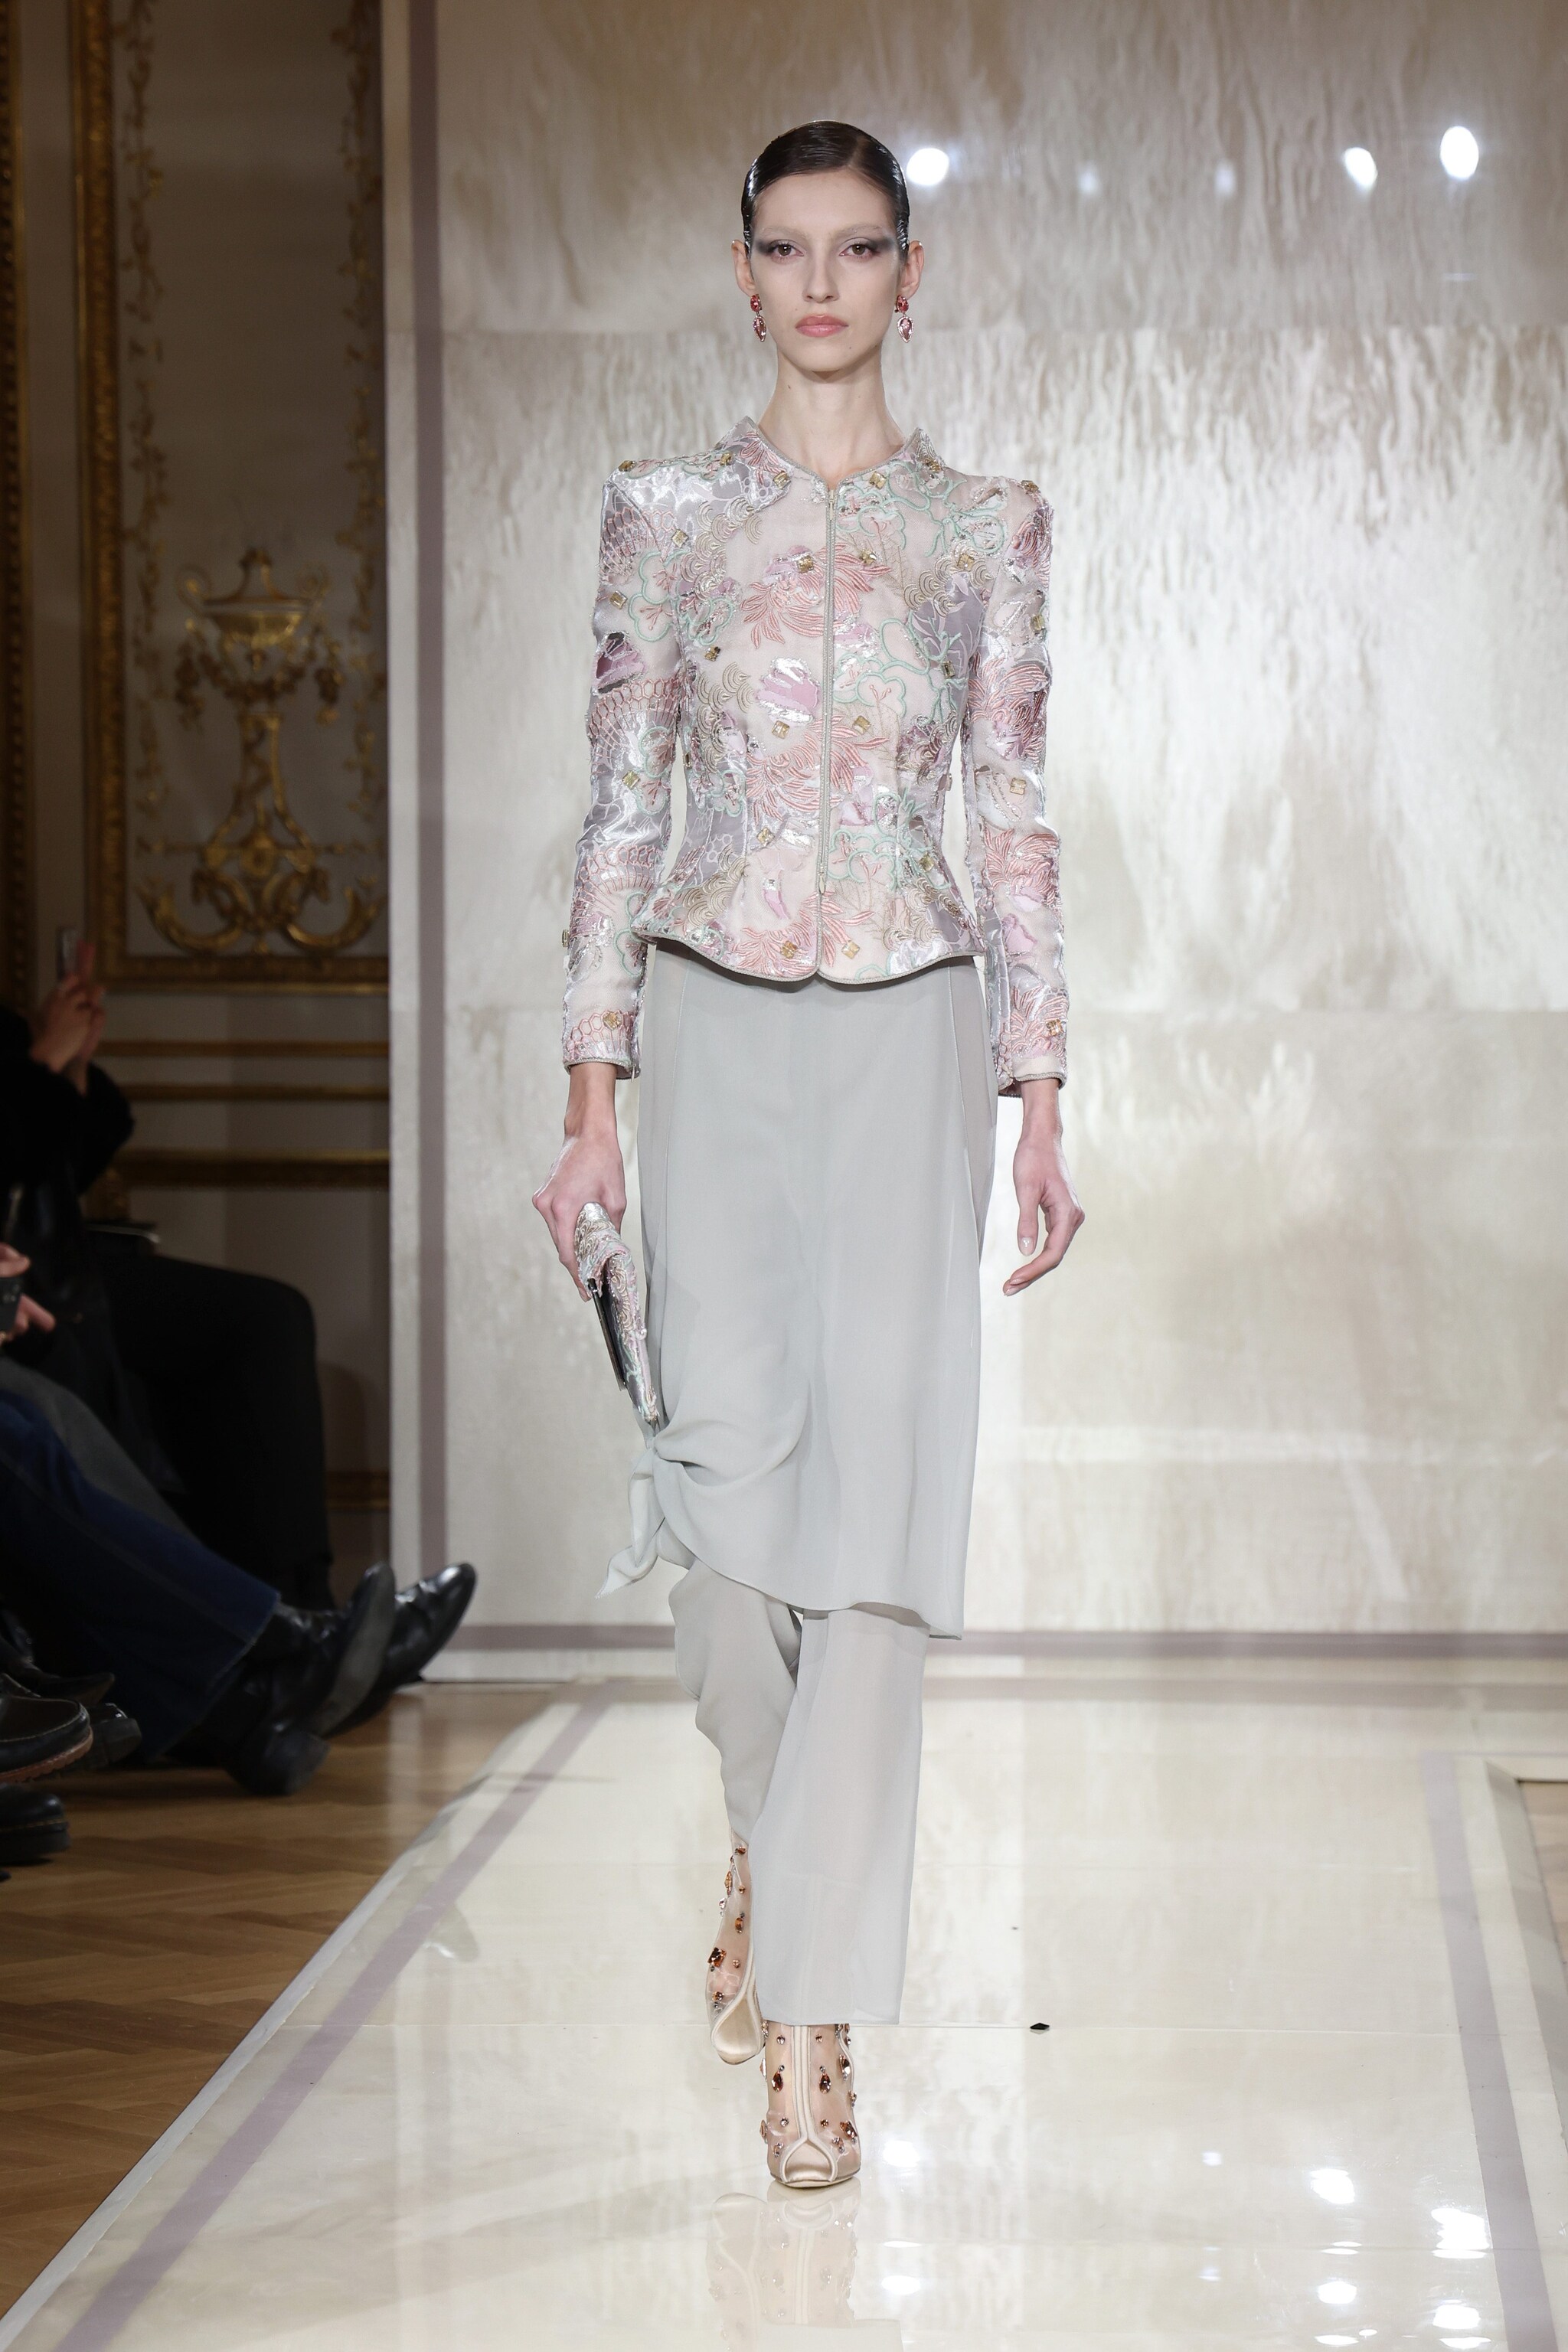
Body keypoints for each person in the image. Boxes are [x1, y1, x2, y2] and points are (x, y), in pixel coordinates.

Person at [534, 122, 1083, 2185]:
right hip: (708, 1010)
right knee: (722, 1512)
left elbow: (1010, 808)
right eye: (789, 249)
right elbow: (618, 804)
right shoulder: (665, 516)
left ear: (909, 275)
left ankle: (812, 2017)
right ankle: (775, 1843)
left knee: (875, 1532)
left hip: (916, 1021)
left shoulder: (985, 526)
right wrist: (589, 1093)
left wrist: (1042, 1090)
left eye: (860, 249)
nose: (824, 283)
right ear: (745, 270)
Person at [3, 948, 349, 1610]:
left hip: (57, 1263)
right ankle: (267, 1625)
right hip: (27, 1283)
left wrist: (70, 1067)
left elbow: (57, 1166)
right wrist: (43, 1061)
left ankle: (306, 1605)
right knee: (70, 1373)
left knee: (269, 1317)